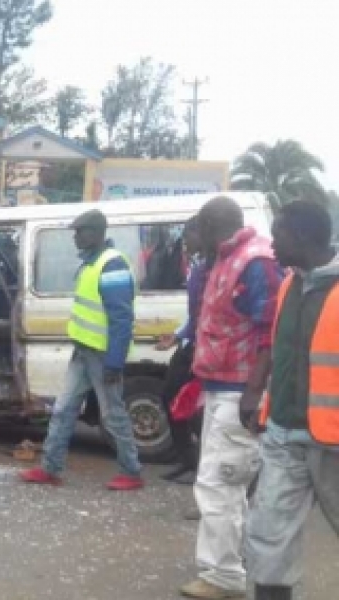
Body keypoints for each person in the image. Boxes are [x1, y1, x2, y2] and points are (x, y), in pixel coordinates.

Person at [179, 196, 282, 600]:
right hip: (222, 388)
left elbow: (271, 330)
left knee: (218, 485)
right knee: (227, 484)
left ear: (209, 226)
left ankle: (223, 576)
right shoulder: (226, 259)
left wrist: (254, 390)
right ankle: (228, 566)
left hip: (240, 393)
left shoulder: (254, 262)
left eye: (199, 228)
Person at [246, 200, 339, 600]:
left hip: (333, 443)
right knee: (268, 539)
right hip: (283, 435)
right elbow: (280, 348)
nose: (272, 245)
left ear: (302, 237)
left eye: (278, 236)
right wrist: (257, 395)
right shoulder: (289, 283)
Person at [21, 209, 143, 491]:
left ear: (97, 233)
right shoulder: (92, 262)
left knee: (112, 415)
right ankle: (50, 468)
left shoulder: (111, 265)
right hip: (84, 352)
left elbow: (121, 319)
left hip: (101, 356)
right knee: (63, 410)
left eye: (80, 231)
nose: (75, 237)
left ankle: (132, 472)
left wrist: (114, 362)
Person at [155, 216, 207, 486]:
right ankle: (188, 459)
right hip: (189, 344)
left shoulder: (214, 269)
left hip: (204, 347)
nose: (184, 241)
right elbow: (195, 313)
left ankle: (199, 462)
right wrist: (177, 335)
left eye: (189, 235)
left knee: (195, 406)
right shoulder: (198, 266)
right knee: (169, 397)